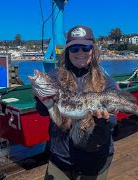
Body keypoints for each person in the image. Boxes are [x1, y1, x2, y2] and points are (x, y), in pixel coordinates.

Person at [35, 25, 117, 180]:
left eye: (85, 47)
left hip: (96, 160)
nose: (80, 52)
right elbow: (43, 111)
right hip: (60, 159)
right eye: (74, 48)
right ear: (67, 51)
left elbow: (113, 120)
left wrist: (103, 121)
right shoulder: (53, 77)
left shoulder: (107, 83)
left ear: (93, 50)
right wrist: (41, 100)